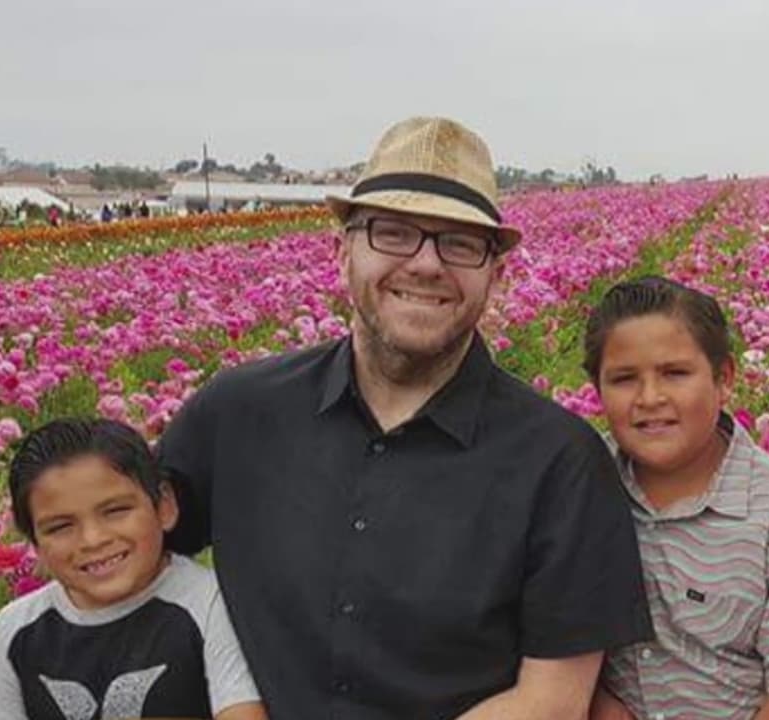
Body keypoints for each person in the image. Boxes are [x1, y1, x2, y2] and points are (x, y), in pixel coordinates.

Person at [157, 116, 652, 720]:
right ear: (342, 252)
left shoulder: (561, 461)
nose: (425, 264)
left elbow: (550, 702)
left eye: (460, 243)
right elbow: (114, 564)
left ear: (496, 274)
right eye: (392, 232)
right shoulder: (237, 412)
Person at [583, 277, 769, 720]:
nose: (650, 398)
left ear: (724, 378)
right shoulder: (581, 485)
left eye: (675, 373)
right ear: (596, 387)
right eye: (624, 379)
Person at [0, 418, 266, 720]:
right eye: (60, 527)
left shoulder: (213, 604)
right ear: (35, 543)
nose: (93, 539)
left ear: (164, 505)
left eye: (115, 511)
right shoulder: (13, 630)